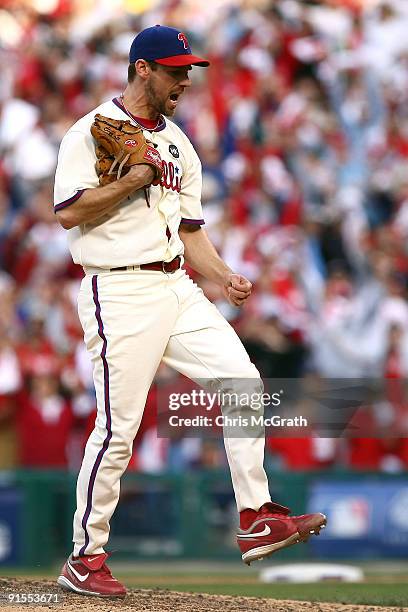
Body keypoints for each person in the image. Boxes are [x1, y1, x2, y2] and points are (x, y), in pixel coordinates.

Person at [54, 25, 326, 598]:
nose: (184, 79)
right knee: (118, 430)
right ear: (142, 69)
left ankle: (255, 518)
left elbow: (190, 230)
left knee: (243, 383)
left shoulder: (177, 142)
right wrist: (132, 179)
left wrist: (223, 274)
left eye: (188, 69)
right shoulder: (89, 132)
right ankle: (86, 555)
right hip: (118, 289)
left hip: (177, 283)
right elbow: (69, 213)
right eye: (175, 69)